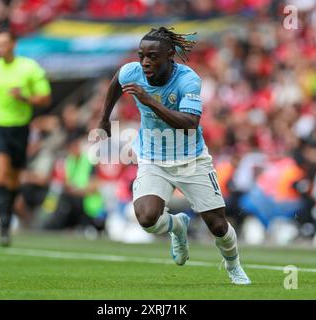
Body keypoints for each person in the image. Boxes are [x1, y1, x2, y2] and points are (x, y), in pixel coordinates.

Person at [98, 27, 250, 284]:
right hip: (153, 159)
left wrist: (151, 101)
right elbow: (117, 82)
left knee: (218, 226)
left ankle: (233, 264)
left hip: (191, 159)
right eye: (141, 55)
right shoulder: (132, 72)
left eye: (153, 56)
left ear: (170, 55)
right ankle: (177, 226)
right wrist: (103, 119)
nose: (145, 62)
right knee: (146, 218)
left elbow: (190, 123)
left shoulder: (187, 80)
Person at [0, 30, 51, 246]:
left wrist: (24, 97)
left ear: (13, 45)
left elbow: (45, 98)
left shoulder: (29, 68)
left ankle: (7, 222)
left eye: (5, 43)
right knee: (0, 175)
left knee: (14, 179)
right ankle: (4, 223)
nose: (1, 47)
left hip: (20, 128)